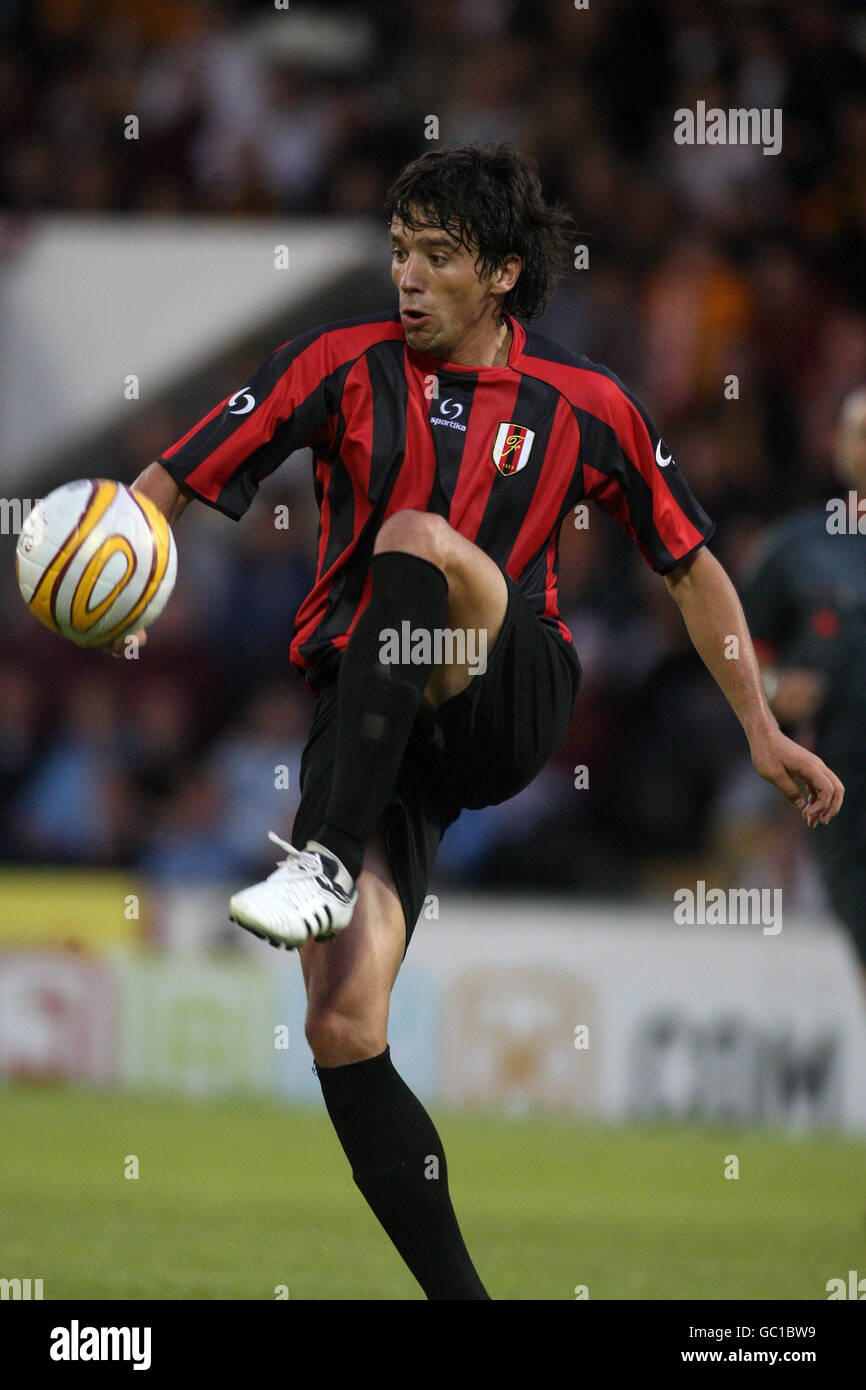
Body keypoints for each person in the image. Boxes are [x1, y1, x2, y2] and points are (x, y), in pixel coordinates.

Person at [124, 144, 844, 1299]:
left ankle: (314, 861)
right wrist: (102, 544)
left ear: (502, 273)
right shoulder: (332, 364)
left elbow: (689, 561)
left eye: (438, 257)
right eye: (399, 251)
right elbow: (173, 475)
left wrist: (757, 725)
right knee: (342, 1021)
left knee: (413, 540)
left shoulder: (584, 401)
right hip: (369, 717)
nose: (407, 278)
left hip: (501, 684)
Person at [739, 384, 865, 981]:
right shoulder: (798, 547)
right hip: (846, 783)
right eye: (860, 430)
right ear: (840, 447)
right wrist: (770, 686)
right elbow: (734, 644)